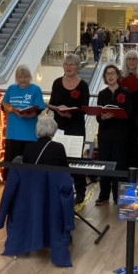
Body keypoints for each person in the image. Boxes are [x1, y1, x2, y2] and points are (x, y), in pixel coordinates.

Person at [49, 53, 90, 203]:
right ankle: (59, 188)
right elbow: (52, 102)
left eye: (72, 64)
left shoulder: (83, 85)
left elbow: (84, 108)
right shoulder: (57, 83)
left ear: (78, 67)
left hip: (76, 126)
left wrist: (70, 114)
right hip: (58, 126)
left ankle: (80, 191)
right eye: (66, 64)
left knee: (75, 159)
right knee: (58, 159)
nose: (68, 67)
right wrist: (58, 109)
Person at [95, 64, 132, 205]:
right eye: (107, 74)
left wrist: (117, 114)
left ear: (118, 76)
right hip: (104, 135)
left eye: (113, 73)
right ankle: (104, 195)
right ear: (105, 77)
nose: (110, 76)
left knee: (119, 166)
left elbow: (128, 113)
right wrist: (103, 118)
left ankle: (119, 197)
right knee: (105, 165)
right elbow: (98, 115)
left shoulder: (125, 92)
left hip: (120, 135)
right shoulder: (102, 94)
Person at [2, 65, 45, 178]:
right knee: (10, 164)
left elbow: (39, 108)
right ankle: (9, 187)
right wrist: (11, 109)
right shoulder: (11, 88)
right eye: (20, 77)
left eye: (25, 77)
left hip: (29, 134)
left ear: (30, 77)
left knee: (29, 165)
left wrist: (30, 114)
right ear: (16, 77)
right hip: (13, 133)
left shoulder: (35, 89)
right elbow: (4, 105)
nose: (23, 79)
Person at [121, 50, 138, 168]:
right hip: (123, 115)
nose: (131, 61)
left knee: (134, 147)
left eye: (134, 59)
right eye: (129, 59)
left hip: (135, 114)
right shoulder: (120, 75)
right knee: (122, 147)